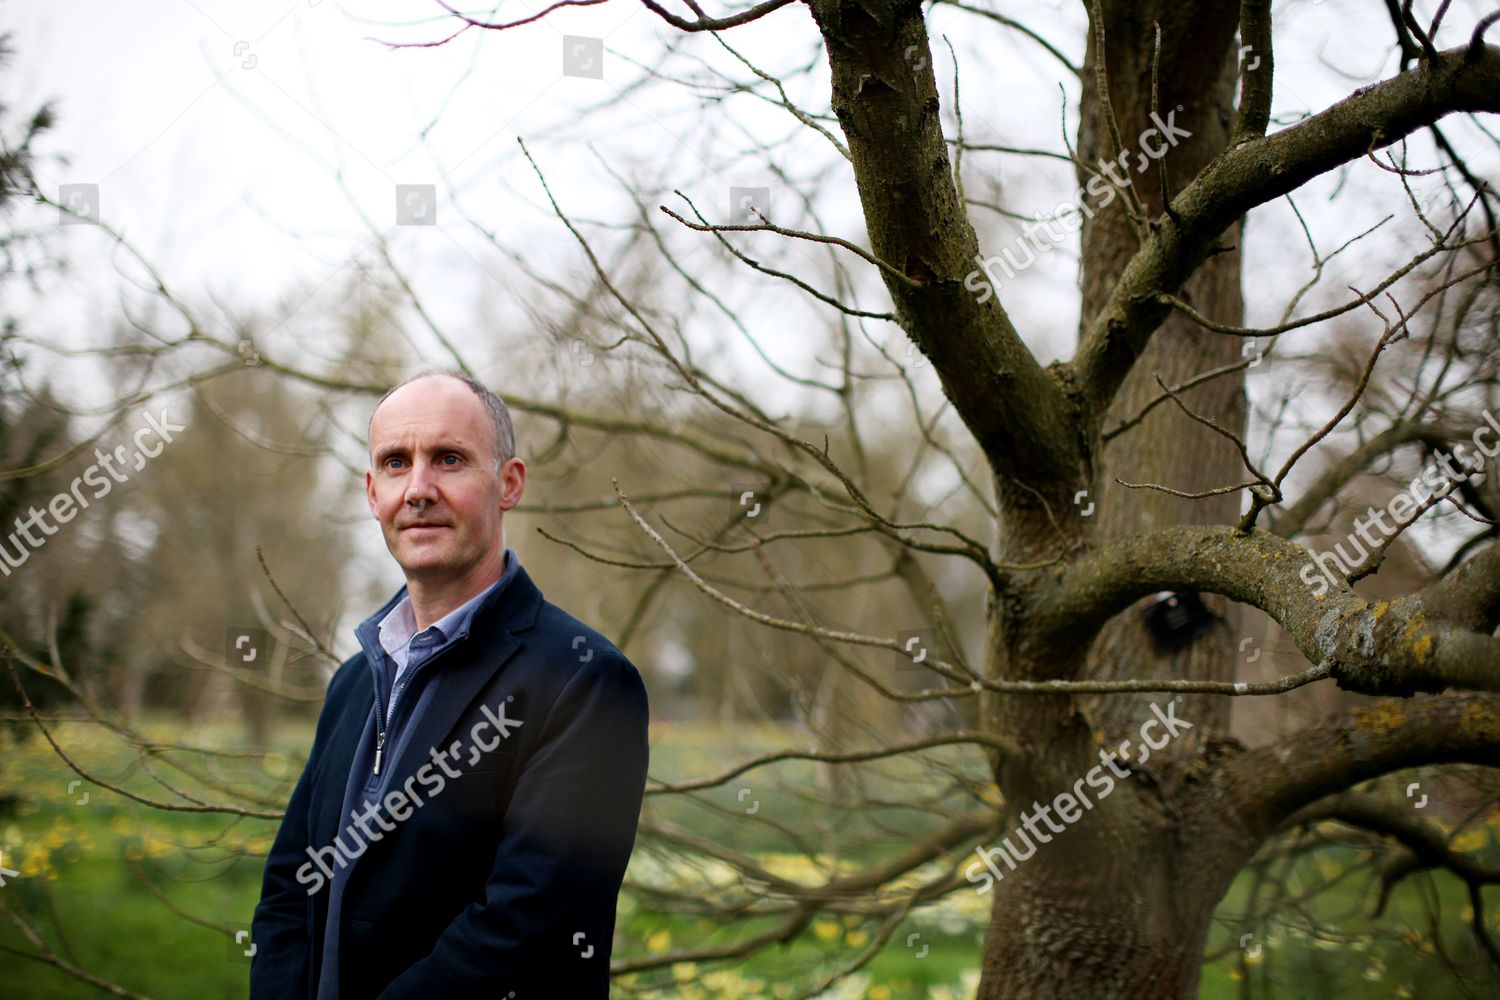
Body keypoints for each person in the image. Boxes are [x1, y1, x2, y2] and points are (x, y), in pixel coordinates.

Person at [250, 369, 649, 998]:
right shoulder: (353, 681)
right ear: (372, 492)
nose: (418, 490)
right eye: (395, 463)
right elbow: (288, 889)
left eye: (449, 459)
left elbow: (529, 930)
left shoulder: (586, 683)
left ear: (508, 484)